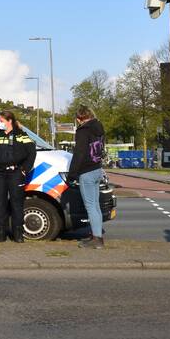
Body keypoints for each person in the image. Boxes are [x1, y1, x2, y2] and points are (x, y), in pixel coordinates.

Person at [0, 110, 36, 243]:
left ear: (9, 121)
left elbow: (31, 152)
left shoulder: (20, 134)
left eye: (1, 121)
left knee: (16, 203)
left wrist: (24, 170)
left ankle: (18, 233)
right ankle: (1, 233)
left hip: (16, 174)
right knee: (1, 203)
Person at [69, 106, 107, 248]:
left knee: (90, 206)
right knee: (95, 206)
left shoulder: (83, 131)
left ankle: (97, 239)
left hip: (86, 172)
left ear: (79, 118)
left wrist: (72, 174)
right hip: (97, 168)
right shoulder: (98, 127)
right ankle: (96, 234)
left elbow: (79, 154)